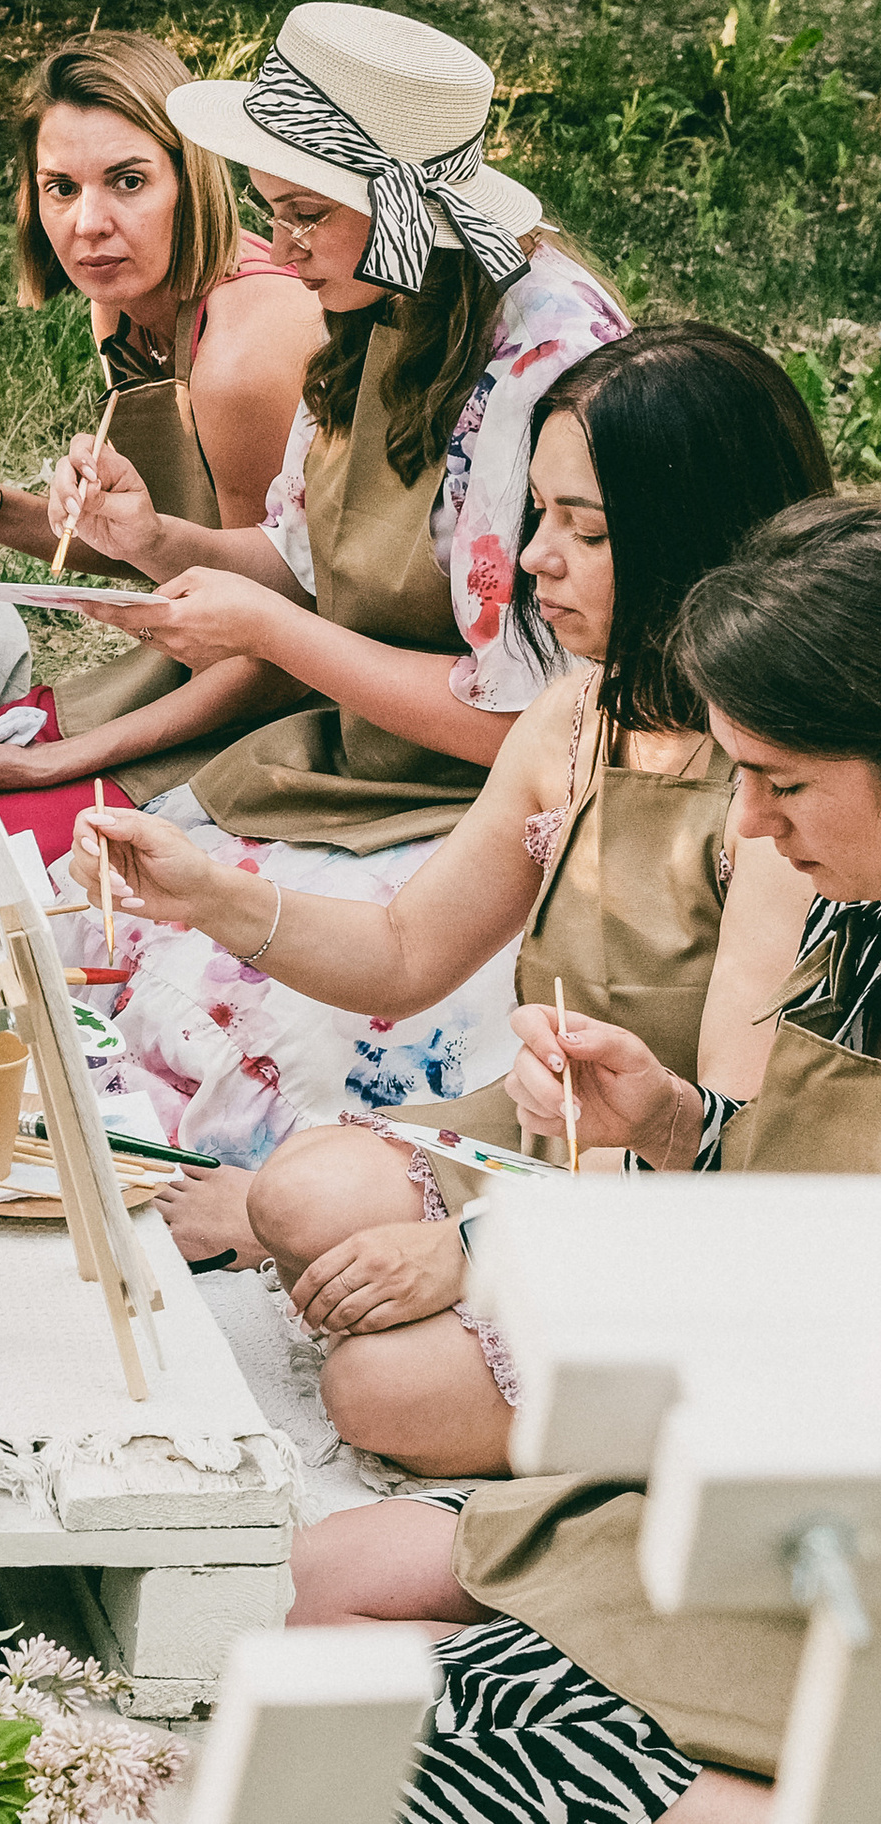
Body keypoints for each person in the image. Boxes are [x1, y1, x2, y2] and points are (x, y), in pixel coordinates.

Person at [69, 325, 829, 1454]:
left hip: (665, 1200)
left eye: (587, 529)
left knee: (375, 1390)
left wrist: (475, 1252)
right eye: (538, 515)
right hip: (542, 1143)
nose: (534, 558)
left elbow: (718, 1146)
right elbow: (403, 952)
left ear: (693, 543)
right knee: (290, 1198)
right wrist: (205, 897)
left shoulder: (775, 802)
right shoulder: (577, 713)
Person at [291, 491, 881, 1824]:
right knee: (334, 1574)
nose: (746, 828)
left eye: (783, 783)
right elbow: (810, 1206)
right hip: (783, 1485)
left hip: (833, 1546)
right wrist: (671, 1121)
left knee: (379, 1732)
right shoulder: (863, 917)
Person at [38, 2, 629, 1172]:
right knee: (95, 930)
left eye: (304, 213)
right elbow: (308, 572)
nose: (281, 248)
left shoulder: (537, 369)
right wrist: (153, 537)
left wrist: (271, 633)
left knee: (254, 1028)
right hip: (364, 768)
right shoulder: (379, 302)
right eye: (270, 212)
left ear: (402, 208)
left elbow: (525, 722)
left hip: (499, 810)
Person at [0, 31, 324, 851]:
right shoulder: (124, 307)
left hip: (295, 718)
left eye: (129, 182)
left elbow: (282, 638)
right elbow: (162, 554)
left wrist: (58, 764)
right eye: (60, 188)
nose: (89, 225)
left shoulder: (244, 356)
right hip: (194, 679)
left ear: (196, 181)